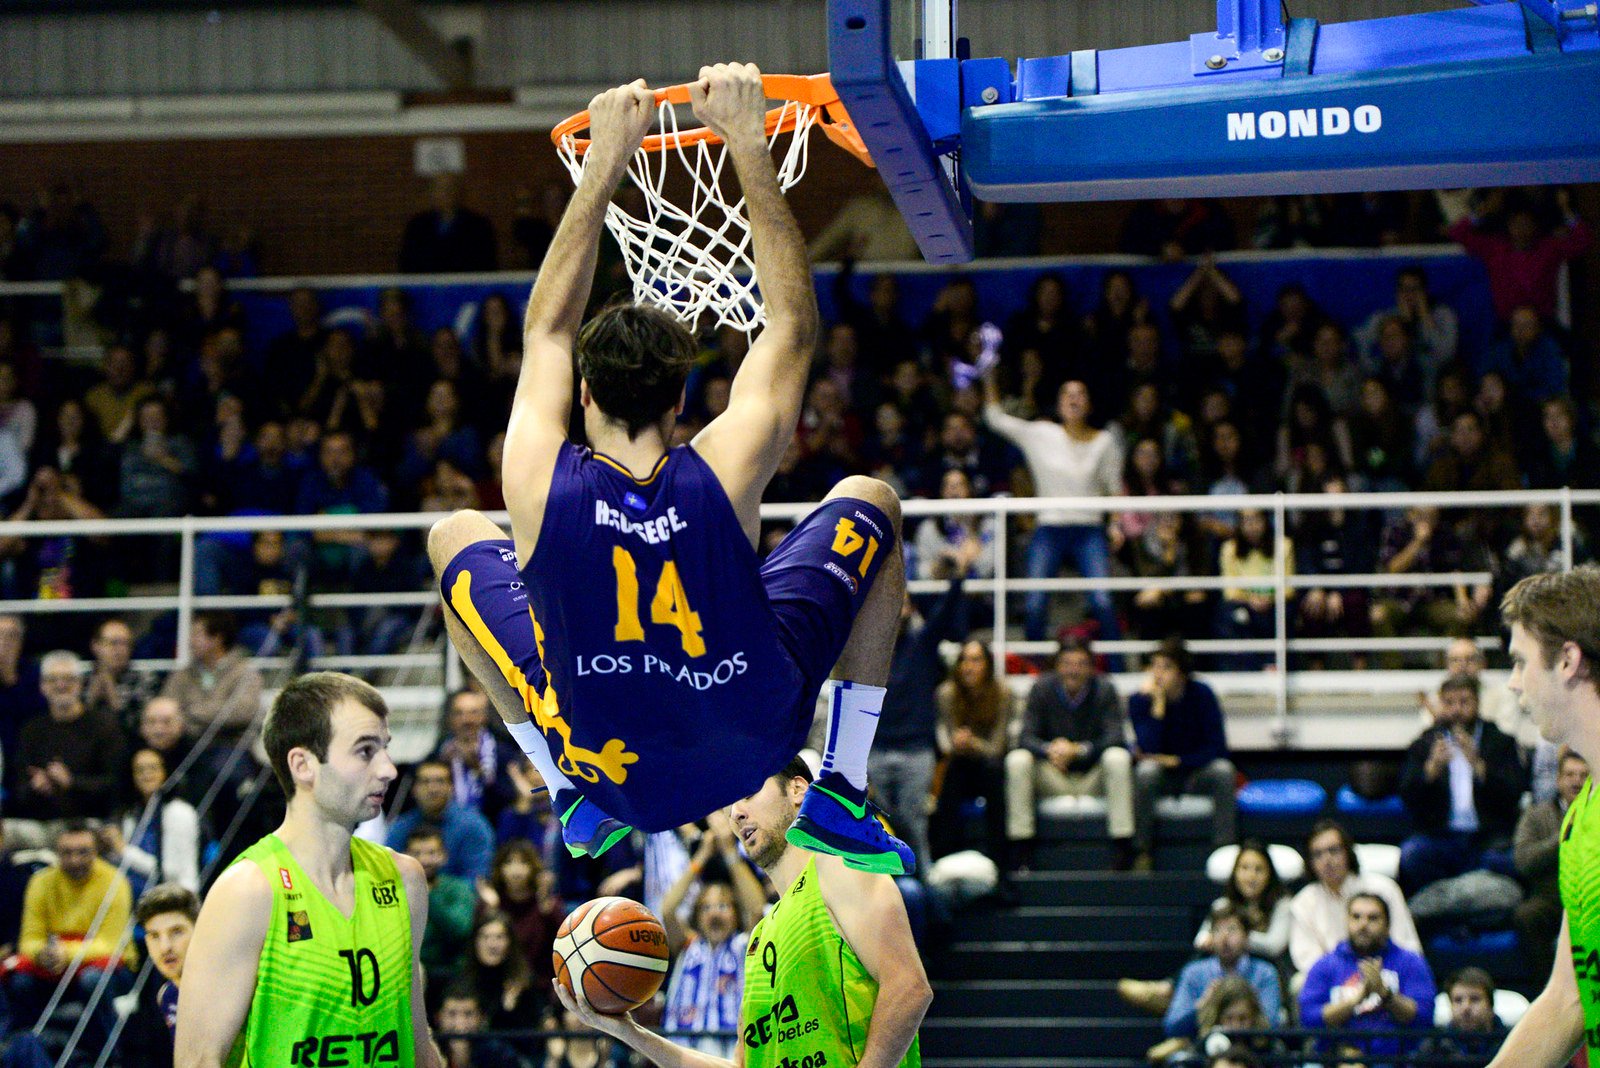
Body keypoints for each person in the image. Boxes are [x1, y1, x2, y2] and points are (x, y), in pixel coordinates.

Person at [427, 66, 911, 873]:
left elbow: (545, 329)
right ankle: (841, 789)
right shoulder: (724, 465)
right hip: (753, 740)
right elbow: (790, 326)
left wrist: (604, 167)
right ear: (683, 397)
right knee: (872, 502)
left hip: (612, 770)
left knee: (452, 543)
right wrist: (749, 146)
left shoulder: (536, 475)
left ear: (582, 392)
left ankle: (562, 788)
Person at [554, 755, 930, 1068]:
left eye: (748, 794)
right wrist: (630, 1033)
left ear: (798, 790)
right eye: (729, 806)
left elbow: (909, 988)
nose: (736, 814)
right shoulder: (760, 937)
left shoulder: (840, 867)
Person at [173, 672, 443, 1068]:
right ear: (303, 765)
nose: (388, 769)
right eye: (366, 751)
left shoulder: (405, 879)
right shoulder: (248, 890)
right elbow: (198, 1061)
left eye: (386, 748)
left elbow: (415, 1042)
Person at [1487, 566, 1600, 1065]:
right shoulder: (1580, 818)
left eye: (1519, 662)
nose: (1513, 684)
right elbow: (1566, 1000)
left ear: (1568, 661)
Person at [981, 373, 1123, 646]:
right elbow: (995, 419)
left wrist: (1115, 524)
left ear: (1090, 404)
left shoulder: (1104, 441)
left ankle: (1117, 666)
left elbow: (1114, 488)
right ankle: (1036, 666)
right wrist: (989, 378)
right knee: (1034, 603)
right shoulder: (1042, 434)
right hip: (1050, 527)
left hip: (1089, 529)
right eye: (1067, 394)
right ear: (1058, 405)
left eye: (1080, 394)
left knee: (1103, 600)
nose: (1073, 399)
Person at [1005, 638, 1136, 871]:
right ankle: (1020, 848)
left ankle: (1122, 846)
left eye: (1080, 664)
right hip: (1053, 776)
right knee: (1017, 760)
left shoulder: (1105, 689)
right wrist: (1050, 749)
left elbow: (1116, 737)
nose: (1073, 670)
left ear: (1091, 667)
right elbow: (1025, 737)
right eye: (1067, 663)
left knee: (1118, 757)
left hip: (1092, 777)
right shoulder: (1042, 688)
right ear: (1057, 666)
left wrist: (1078, 750)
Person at [3, 822, 137, 1049]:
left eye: (83, 852)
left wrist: (66, 953)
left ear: (96, 852)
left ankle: (109, 1055)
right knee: (19, 981)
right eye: (66, 853)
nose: (74, 860)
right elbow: (29, 940)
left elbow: (111, 945)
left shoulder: (115, 881)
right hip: (56, 965)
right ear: (57, 853)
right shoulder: (40, 882)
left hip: (111, 967)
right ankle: (31, 1050)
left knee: (92, 981)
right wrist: (42, 953)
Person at [1398, 672, 1526, 895]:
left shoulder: (1499, 741)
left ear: (1477, 703)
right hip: (1442, 838)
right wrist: (1430, 770)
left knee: (1511, 862)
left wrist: (1479, 765)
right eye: (1449, 703)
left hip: (1489, 840)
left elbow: (1514, 793)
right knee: (1412, 855)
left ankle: (1447, 904)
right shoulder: (1425, 742)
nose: (1457, 709)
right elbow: (1408, 798)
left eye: (1464, 702)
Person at [1128, 639, 1237, 866]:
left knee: (1224, 771)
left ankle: (1224, 852)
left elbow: (1217, 747)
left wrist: (1179, 761)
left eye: (1166, 667)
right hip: (1162, 777)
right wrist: (1157, 708)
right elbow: (1147, 749)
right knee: (1145, 772)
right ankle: (1142, 852)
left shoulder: (1202, 694)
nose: (1158, 674)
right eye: (1154, 666)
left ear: (1181, 673)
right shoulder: (1139, 700)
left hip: (1195, 772)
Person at [1298, 893, 1435, 1062]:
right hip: (1337, 1059)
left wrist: (1385, 994)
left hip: (1396, 1060)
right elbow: (1309, 1018)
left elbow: (1424, 1016)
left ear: (1387, 925)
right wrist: (1357, 999)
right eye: (1356, 917)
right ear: (1346, 922)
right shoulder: (1325, 965)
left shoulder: (1410, 963)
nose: (1363, 924)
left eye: (1373, 918)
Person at [7, 650, 128, 832]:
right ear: (42, 686)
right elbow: (18, 787)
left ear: (80, 684)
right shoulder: (31, 730)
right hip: (42, 824)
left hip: (91, 823)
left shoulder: (104, 726)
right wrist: (35, 787)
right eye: (52, 680)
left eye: (68, 679)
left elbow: (116, 784)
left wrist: (72, 782)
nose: (61, 685)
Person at [1289, 820, 1421, 985]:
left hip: (1386, 974)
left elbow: (1407, 945)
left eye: (1333, 850)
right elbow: (1307, 960)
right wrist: (1347, 980)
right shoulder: (1303, 902)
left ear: (1348, 852)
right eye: (1318, 854)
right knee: (1299, 984)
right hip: (1333, 982)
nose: (1327, 860)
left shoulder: (1383, 888)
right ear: (1310, 862)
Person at [1515, 748, 1588, 981]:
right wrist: (1561, 839)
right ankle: (1545, 988)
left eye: (1583, 775)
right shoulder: (1536, 815)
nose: (1576, 781)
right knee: (1527, 916)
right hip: (1550, 896)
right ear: (1557, 780)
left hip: (1591, 897)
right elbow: (1523, 861)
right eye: (1570, 775)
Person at [1163, 903, 1282, 1042]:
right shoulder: (1193, 972)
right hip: (1204, 1051)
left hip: (1253, 1051)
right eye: (1218, 930)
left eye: (1232, 930)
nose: (1224, 938)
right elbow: (1172, 1027)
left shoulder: (1265, 973)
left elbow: (1271, 1026)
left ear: (1247, 936)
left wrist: (1249, 1005)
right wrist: (1203, 1005)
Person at [122, 883, 200, 1068]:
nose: (165, 947)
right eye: (154, 936)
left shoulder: (230, 988)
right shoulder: (167, 996)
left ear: (200, 930)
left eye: (176, 932)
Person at [386, 759, 496, 882]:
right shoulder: (400, 827)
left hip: (458, 899)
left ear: (452, 787)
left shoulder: (474, 826)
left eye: (440, 781)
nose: (433, 789)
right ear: (414, 789)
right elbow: (388, 873)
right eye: (425, 782)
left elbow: (477, 879)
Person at [430, 688, 522, 825]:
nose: (467, 720)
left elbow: (511, 799)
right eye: (459, 713)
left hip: (492, 825)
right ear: (450, 718)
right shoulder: (439, 753)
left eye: (473, 712)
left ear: (484, 716)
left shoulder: (504, 753)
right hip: (445, 827)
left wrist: (478, 769)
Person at [1420, 966, 1507, 1067]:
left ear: (1490, 1005)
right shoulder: (1433, 1047)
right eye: (1458, 1000)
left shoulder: (1511, 1044)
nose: (1466, 1007)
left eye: (1475, 999)